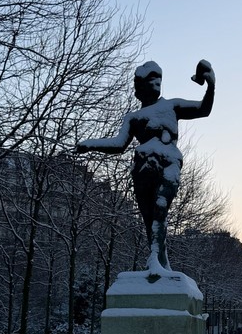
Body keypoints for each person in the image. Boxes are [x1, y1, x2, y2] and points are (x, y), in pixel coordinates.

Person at [76, 60, 215, 280]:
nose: (156, 83)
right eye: (150, 80)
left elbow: (203, 109)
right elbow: (119, 144)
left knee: (161, 207)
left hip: (168, 163)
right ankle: (162, 261)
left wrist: (210, 85)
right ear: (139, 87)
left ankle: (154, 259)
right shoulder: (133, 118)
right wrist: (90, 144)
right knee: (150, 220)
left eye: (158, 79)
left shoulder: (172, 106)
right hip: (142, 169)